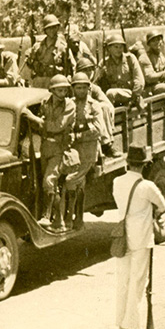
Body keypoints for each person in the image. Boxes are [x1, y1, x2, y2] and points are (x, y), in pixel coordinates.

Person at [113, 145, 165, 329]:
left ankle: (120, 321)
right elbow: (162, 206)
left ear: (128, 163)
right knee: (138, 281)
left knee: (123, 280)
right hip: (141, 237)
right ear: (144, 165)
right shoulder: (147, 186)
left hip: (122, 235)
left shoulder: (117, 182)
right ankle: (132, 324)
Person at [21, 74, 75, 229]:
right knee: (50, 185)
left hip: (60, 147)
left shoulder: (69, 105)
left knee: (49, 181)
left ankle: (46, 216)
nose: (62, 92)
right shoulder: (45, 103)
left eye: (65, 89)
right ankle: (59, 221)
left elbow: (59, 126)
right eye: (59, 90)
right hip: (45, 147)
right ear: (52, 90)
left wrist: (36, 120)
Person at [64, 72, 105, 230]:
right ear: (73, 89)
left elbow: (98, 129)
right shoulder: (69, 104)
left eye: (83, 88)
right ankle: (77, 217)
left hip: (88, 150)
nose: (80, 91)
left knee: (71, 180)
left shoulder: (94, 106)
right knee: (76, 182)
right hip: (72, 150)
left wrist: (79, 134)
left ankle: (71, 215)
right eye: (77, 87)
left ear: (89, 88)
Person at [75, 58, 121, 158]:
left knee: (104, 107)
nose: (89, 72)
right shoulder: (72, 85)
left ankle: (106, 145)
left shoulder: (94, 88)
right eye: (85, 70)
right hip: (76, 118)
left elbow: (108, 105)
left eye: (90, 69)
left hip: (90, 120)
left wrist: (93, 107)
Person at [96, 34, 145, 109]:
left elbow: (139, 80)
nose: (119, 49)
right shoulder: (104, 63)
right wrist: (100, 74)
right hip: (112, 98)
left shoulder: (130, 59)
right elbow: (94, 84)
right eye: (116, 47)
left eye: (121, 47)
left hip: (129, 94)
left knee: (111, 93)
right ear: (109, 48)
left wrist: (134, 97)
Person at [26, 14, 73, 89]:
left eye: (54, 27)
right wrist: (29, 58)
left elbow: (71, 67)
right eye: (49, 28)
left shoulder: (63, 47)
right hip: (39, 82)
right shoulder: (37, 46)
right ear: (45, 30)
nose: (52, 30)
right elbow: (30, 64)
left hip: (56, 83)